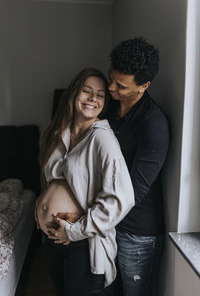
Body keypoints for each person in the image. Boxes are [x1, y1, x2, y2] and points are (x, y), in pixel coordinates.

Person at [35, 68, 135, 296]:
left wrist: (74, 231)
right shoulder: (59, 131)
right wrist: (41, 201)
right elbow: (53, 179)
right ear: (74, 94)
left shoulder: (102, 138)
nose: (93, 98)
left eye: (100, 95)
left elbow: (122, 198)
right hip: (52, 240)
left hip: (81, 245)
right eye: (86, 91)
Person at [106, 37, 170, 296]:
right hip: (109, 221)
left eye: (120, 86)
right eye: (111, 78)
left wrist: (86, 219)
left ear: (144, 85)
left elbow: (132, 192)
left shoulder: (153, 124)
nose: (111, 87)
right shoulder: (110, 106)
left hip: (137, 233)